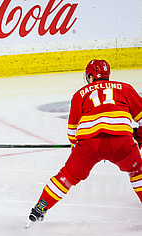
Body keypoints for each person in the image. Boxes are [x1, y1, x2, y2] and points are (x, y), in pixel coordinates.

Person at [28, 59, 142, 223]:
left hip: (90, 145)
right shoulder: (125, 88)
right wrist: (139, 135)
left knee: (67, 176)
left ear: (90, 76)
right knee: (138, 171)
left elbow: (72, 133)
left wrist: (77, 149)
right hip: (121, 142)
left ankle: (40, 208)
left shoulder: (80, 94)